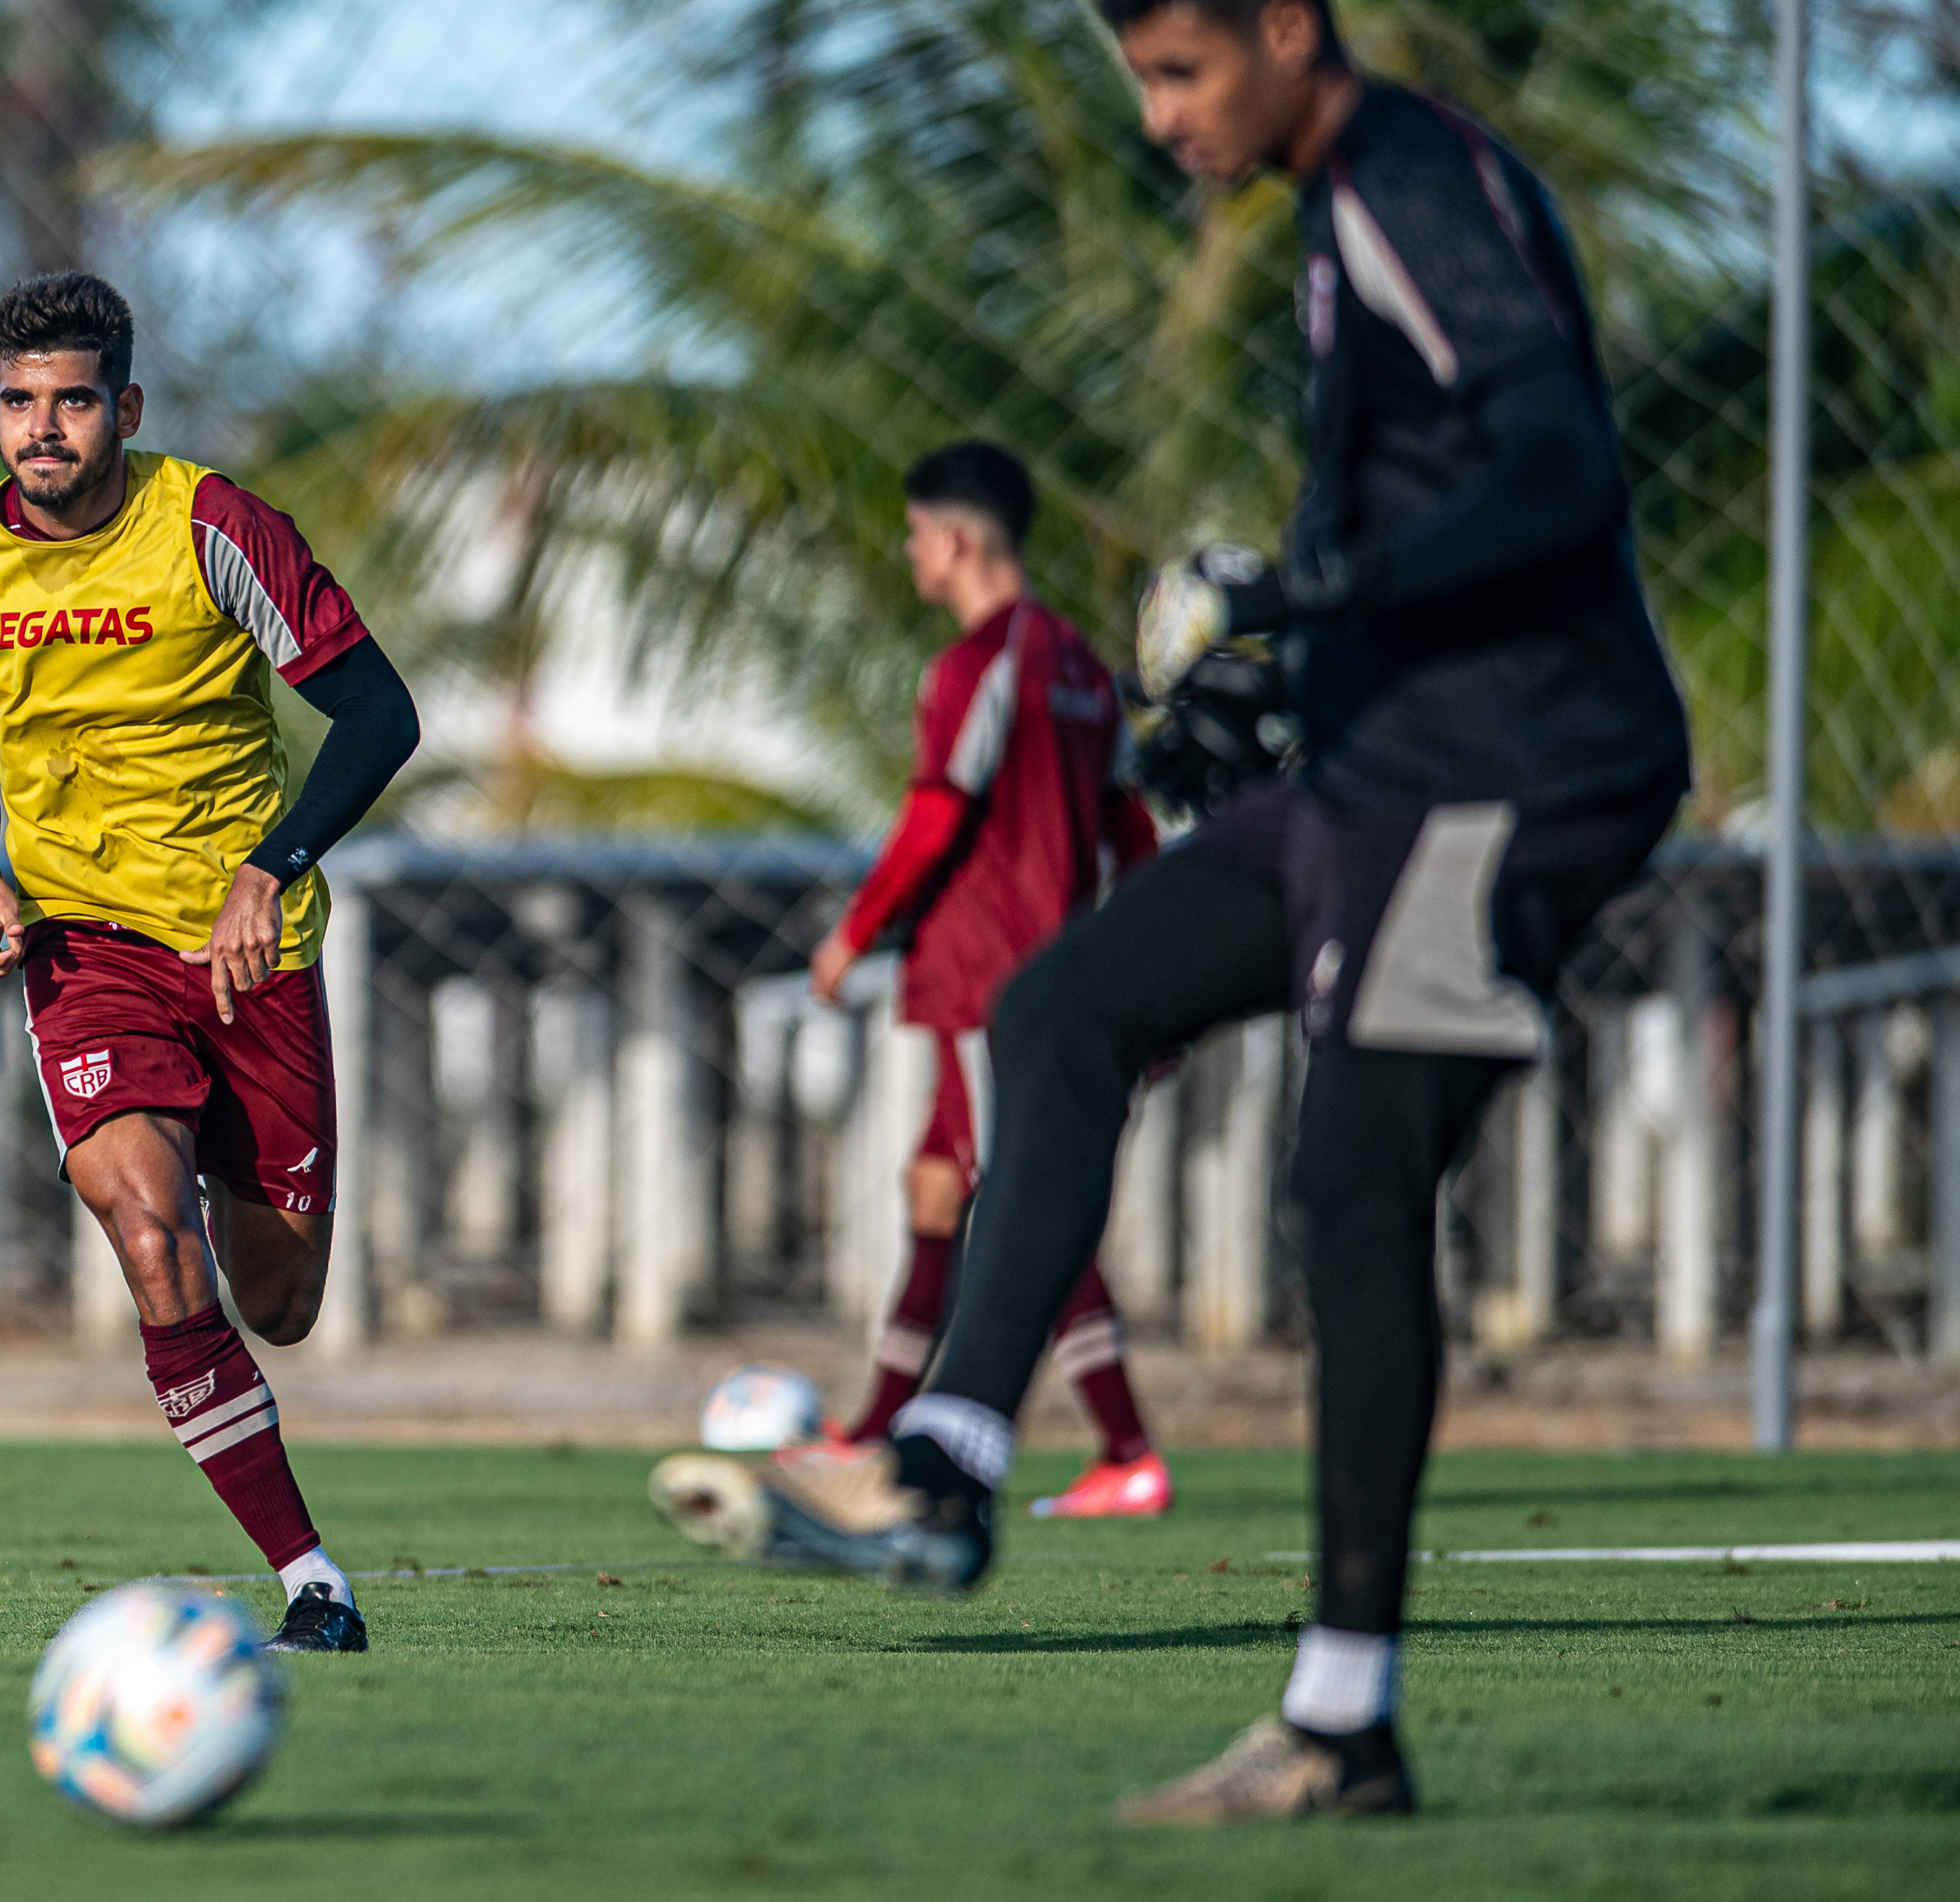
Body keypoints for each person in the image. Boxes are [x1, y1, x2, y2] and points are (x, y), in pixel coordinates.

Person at [682, 0, 1693, 1821]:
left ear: (1289, 29)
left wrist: (1318, 594)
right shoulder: (1334, 204)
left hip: (1512, 774)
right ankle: (944, 1469)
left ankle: (1342, 1722)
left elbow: (1558, 467)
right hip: (1381, 769)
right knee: (1064, 1009)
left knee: (1351, 1189)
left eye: (1181, 71)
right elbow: (1440, 522)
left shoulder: (1409, 178)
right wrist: (1297, 671)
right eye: (1139, 78)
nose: (1158, 117)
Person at [0, 271, 420, 1653]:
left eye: (74, 401)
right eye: (20, 401)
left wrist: (275, 862)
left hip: (244, 952)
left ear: (125, 410)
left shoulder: (212, 527)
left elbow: (380, 714)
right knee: (151, 1237)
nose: (44, 428)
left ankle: (210, 1184)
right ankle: (312, 1576)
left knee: (282, 1301)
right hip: (81, 947)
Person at [797, 441, 1171, 1521]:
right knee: (936, 1188)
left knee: (1021, 1195)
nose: (911, 551)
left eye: (918, 533)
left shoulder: (978, 665)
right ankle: (875, 1427)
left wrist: (853, 933)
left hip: (985, 980)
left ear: (958, 540)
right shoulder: (1082, 666)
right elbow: (1132, 830)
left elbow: (937, 811)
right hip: (1052, 970)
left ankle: (1128, 1448)